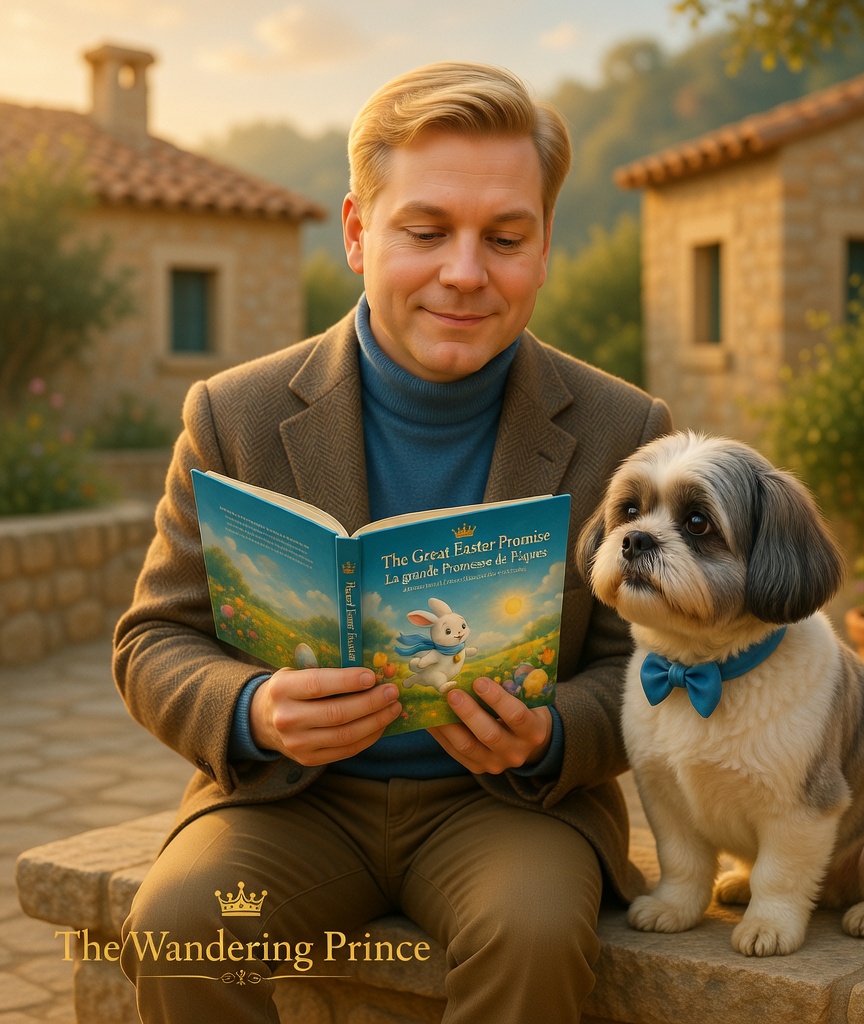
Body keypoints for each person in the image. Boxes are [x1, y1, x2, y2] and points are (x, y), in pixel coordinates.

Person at [113, 61, 671, 1023]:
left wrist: (553, 734)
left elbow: (653, 668)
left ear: (544, 247)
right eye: (426, 231)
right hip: (291, 805)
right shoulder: (233, 416)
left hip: (511, 809)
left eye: (505, 238)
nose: (466, 272)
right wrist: (252, 709)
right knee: (180, 927)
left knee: (534, 933)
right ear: (357, 231)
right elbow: (152, 639)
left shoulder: (626, 431)